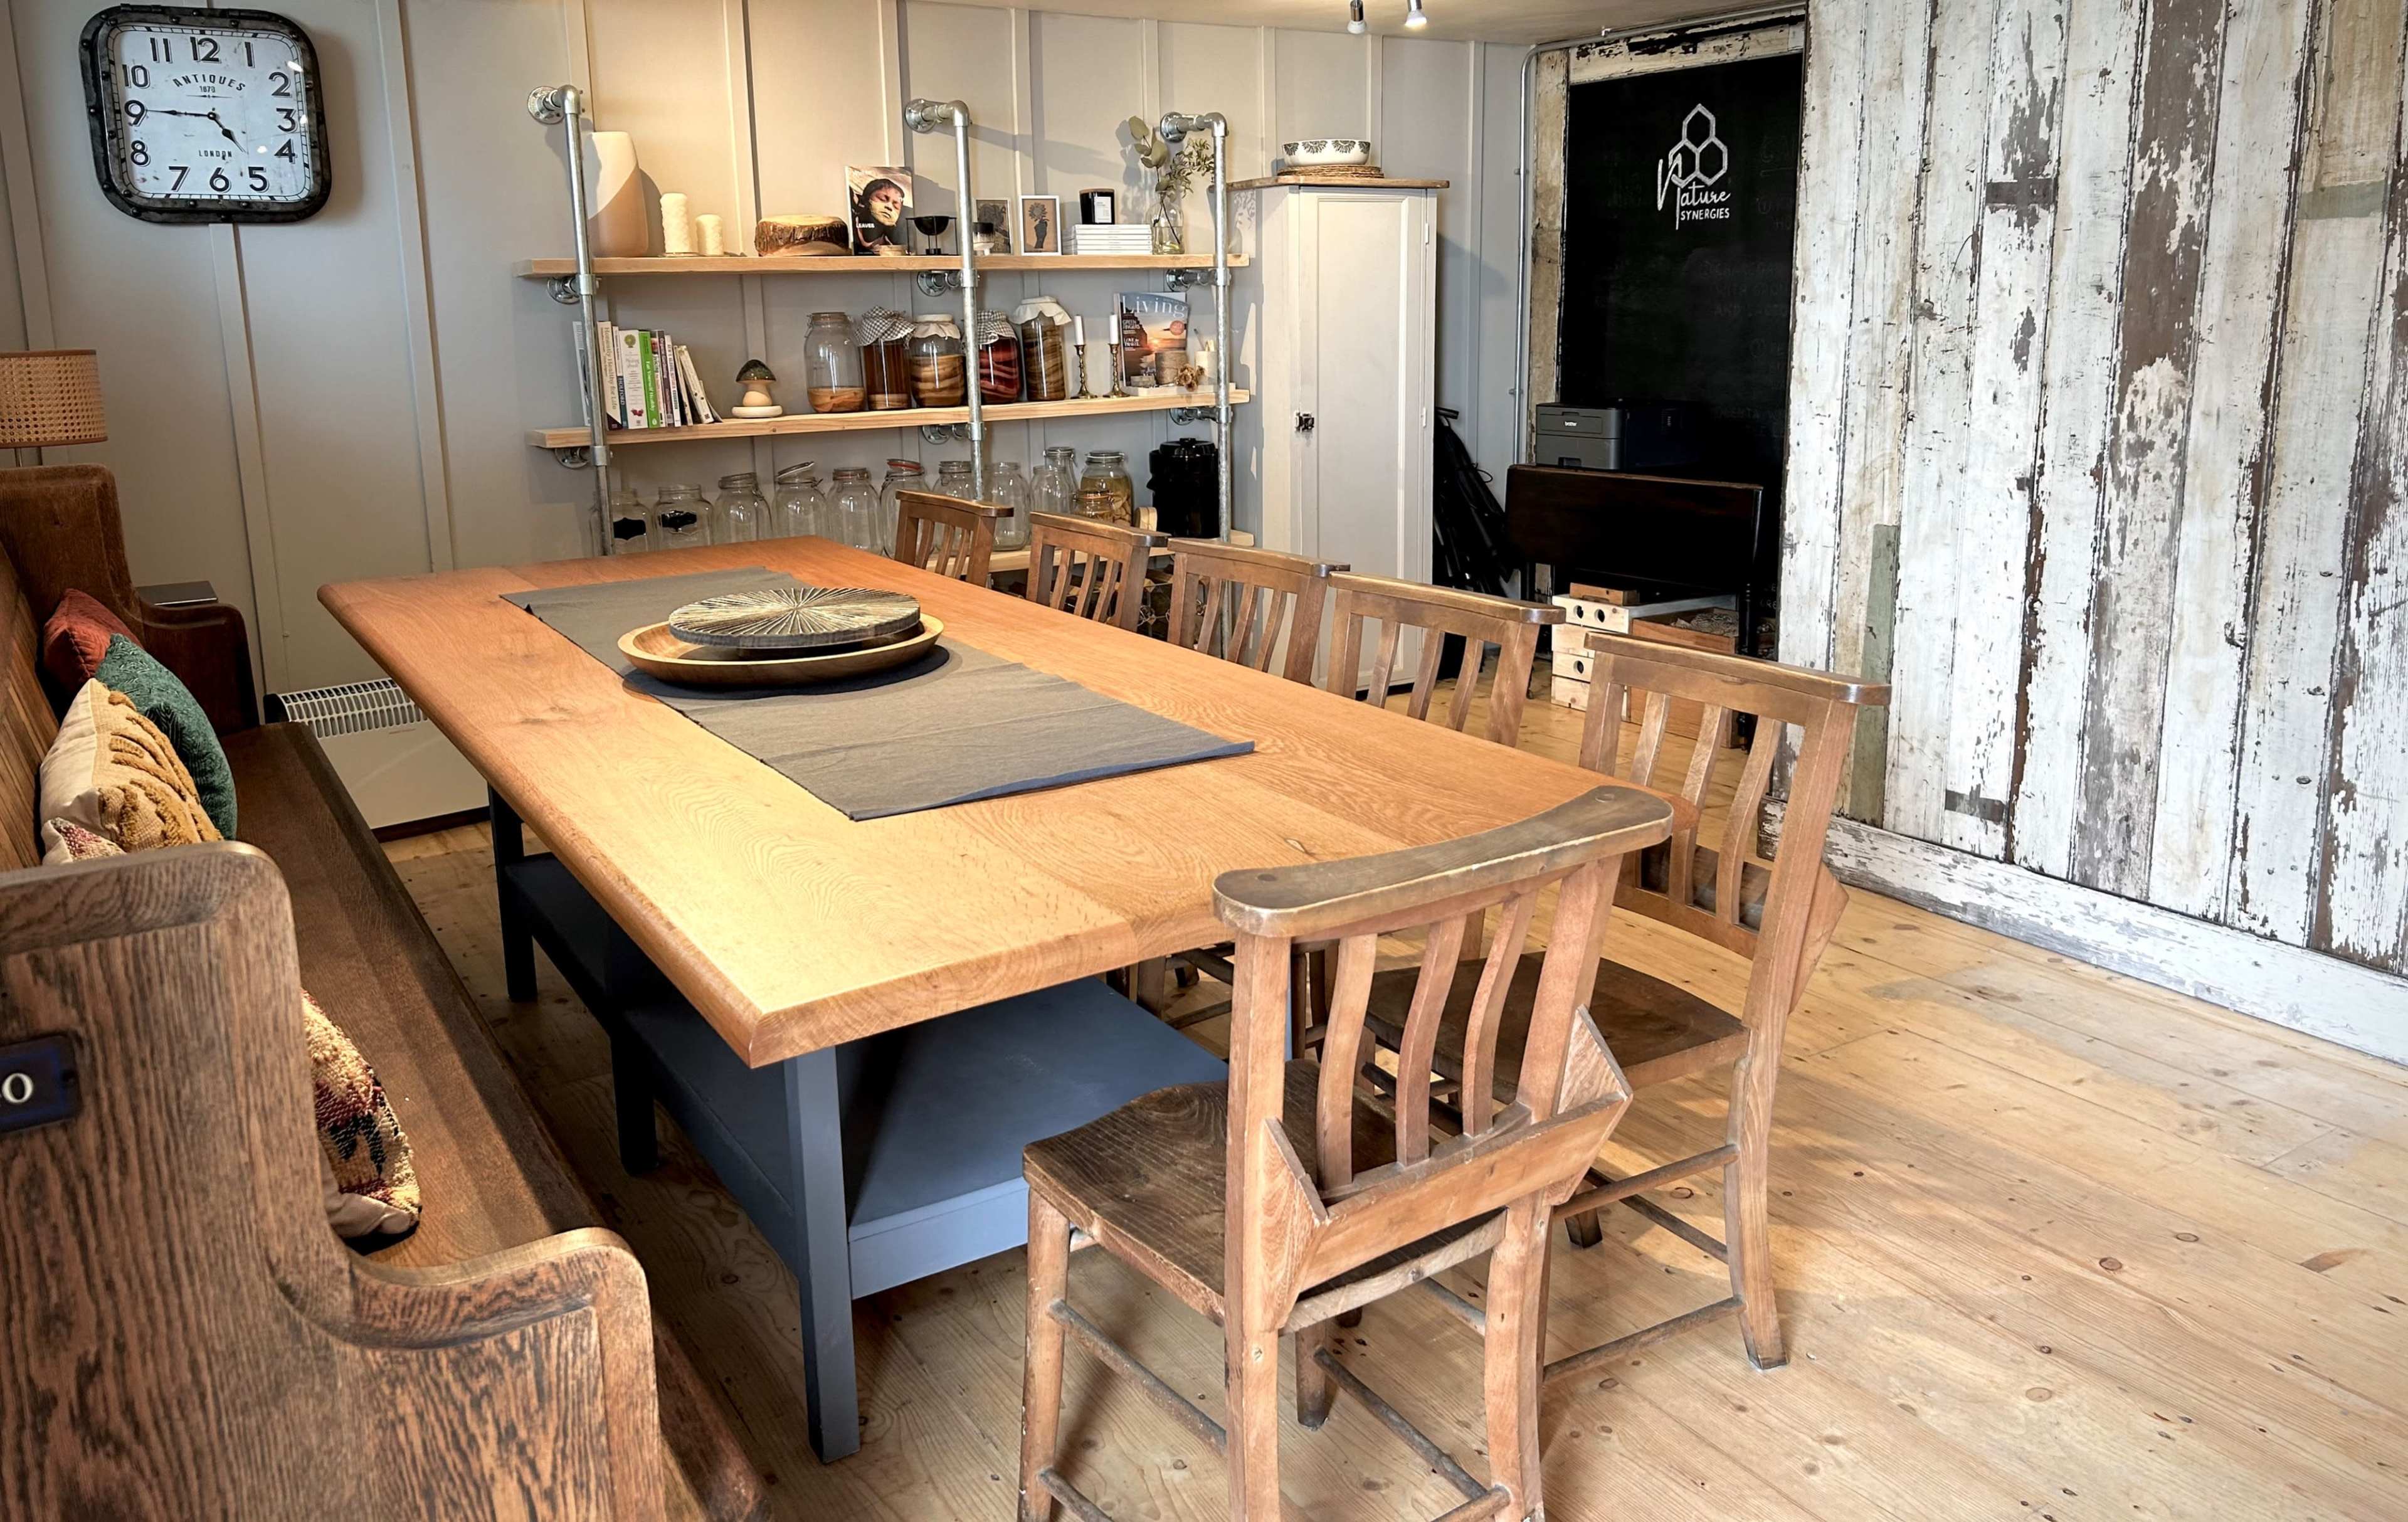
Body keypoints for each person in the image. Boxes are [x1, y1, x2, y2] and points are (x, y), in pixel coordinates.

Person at [852, 176, 907, 253]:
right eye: (883, 199)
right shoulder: (850, 228)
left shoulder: (896, 247)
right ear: (867, 199)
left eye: (896, 205)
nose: (889, 207)